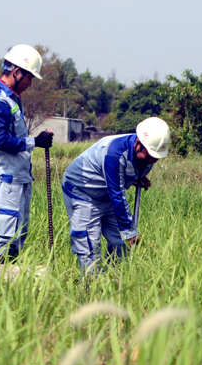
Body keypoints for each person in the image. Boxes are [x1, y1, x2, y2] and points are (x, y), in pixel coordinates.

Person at [62, 117, 170, 273]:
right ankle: (91, 286)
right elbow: (117, 193)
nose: (152, 161)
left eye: (156, 158)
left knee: (120, 244)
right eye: (149, 156)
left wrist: (138, 178)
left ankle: (114, 281)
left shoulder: (146, 154)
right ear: (138, 143)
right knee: (89, 245)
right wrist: (130, 231)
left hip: (106, 194)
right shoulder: (115, 153)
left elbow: (126, 172)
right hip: (83, 192)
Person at [0, 44, 54, 261]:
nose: (30, 84)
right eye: (29, 78)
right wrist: (35, 142)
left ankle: (11, 286)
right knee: (3, 239)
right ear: (17, 72)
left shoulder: (11, 97)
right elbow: (1, 141)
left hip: (18, 179)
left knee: (18, 237)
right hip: (6, 179)